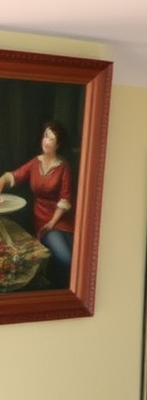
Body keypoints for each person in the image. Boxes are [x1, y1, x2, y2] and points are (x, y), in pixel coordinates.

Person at [0, 121, 75, 286]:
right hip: (41, 217)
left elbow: (65, 198)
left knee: (70, 257)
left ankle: (57, 287)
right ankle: (53, 284)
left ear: (58, 144)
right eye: (45, 136)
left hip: (60, 219)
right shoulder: (35, 163)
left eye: (51, 138)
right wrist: (2, 180)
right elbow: (14, 176)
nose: (45, 141)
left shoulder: (64, 167)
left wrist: (53, 222)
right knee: (66, 257)